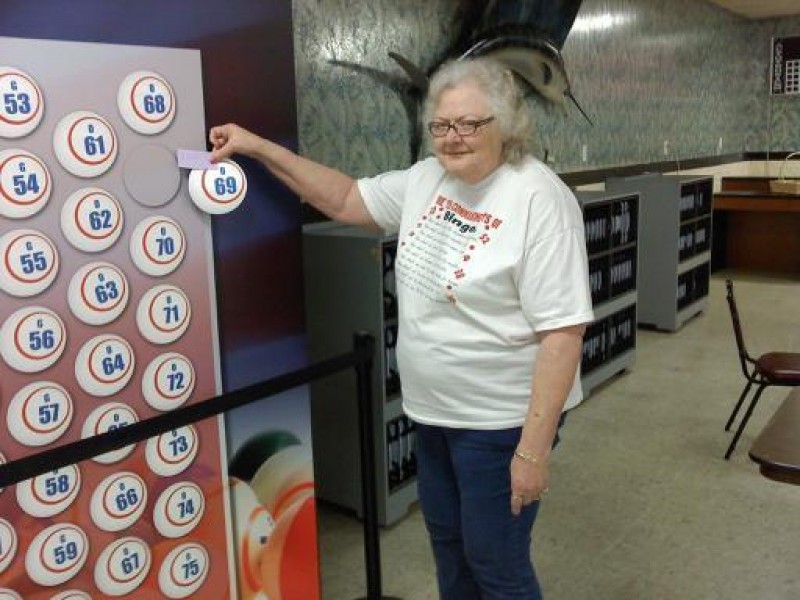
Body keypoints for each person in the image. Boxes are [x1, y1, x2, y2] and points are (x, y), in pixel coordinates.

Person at [209, 56, 593, 600]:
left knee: (495, 560)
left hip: (500, 423)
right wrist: (257, 147)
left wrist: (532, 453)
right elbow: (342, 197)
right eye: (440, 125)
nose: (452, 137)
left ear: (505, 124)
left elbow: (563, 334)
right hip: (432, 412)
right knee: (448, 545)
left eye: (469, 124)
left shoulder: (538, 198)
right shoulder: (425, 179)